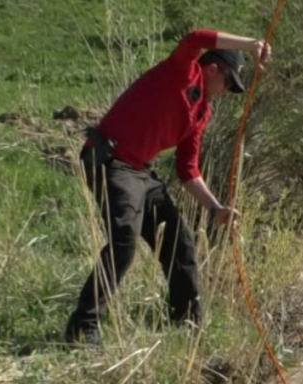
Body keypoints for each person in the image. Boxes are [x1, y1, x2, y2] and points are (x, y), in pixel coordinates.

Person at [64, 29, 271, 346]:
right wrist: (250, 45)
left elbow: (187, 169)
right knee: (124, 244)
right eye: (228, 82)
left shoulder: (202, 112)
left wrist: (215, 208)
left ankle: (187, 324)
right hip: (110, 161)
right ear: (212, 68)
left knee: (180, 242)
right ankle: (81, 329)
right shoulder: (182, 72)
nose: (226, 90)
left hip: (140, 172)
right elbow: (195, 38)